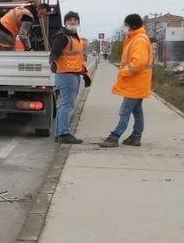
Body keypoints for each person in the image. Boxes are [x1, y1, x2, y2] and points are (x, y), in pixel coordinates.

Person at [99, 14, 153, 148]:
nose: (124, 27)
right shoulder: (136, 38)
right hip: (138, 83)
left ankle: (114, 137)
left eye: (126, 25)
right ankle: (135, 137)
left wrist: (123, 72)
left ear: (132, 26)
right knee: (137, 112)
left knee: (125, 111)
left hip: (134, 83)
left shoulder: (139, 40)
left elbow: (138, 63)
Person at [49, 11, 91, 144]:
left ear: (78, 23)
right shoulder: (62, 37)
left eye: (75, 20)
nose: (73, 22)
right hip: (67, 75)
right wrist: (53, 62)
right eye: (70, 20)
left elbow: (76, 59)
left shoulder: (74, 37)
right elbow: (54, 52)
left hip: (73, 74)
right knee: (67, 105)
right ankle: (63, 134)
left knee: (63, 105)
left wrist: (84, 74)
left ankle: (59, 133)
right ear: (65, 22)